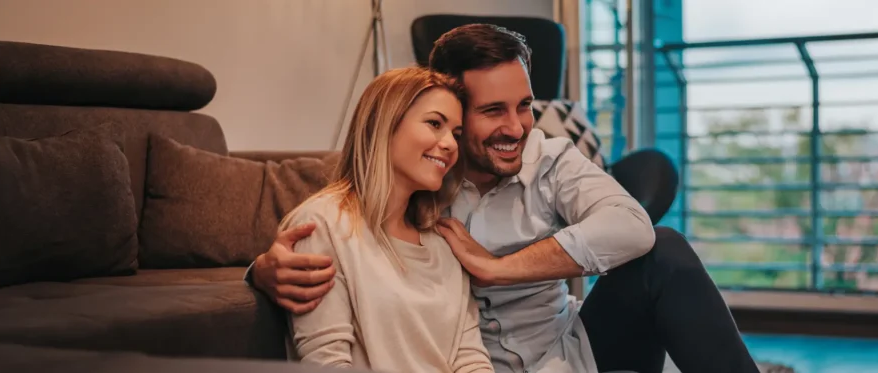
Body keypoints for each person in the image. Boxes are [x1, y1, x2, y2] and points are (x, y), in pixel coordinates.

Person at [250, 25, 760, 373]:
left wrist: (499, 267)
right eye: (493, 111)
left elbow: (632, 227)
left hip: (567, 353)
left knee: (663, 251)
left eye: (525, 106)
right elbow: (336, 211)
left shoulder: (550, 158)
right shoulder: (420, 181)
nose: (515, 128)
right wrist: (260, 271)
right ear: (453, 109)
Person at [276, 66, 493, 373]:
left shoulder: (444, 241)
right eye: (435, 124)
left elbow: (470, 357)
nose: (451, 144)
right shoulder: (321, 225)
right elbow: (327, 363)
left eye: (456, 134)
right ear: (384, 124)